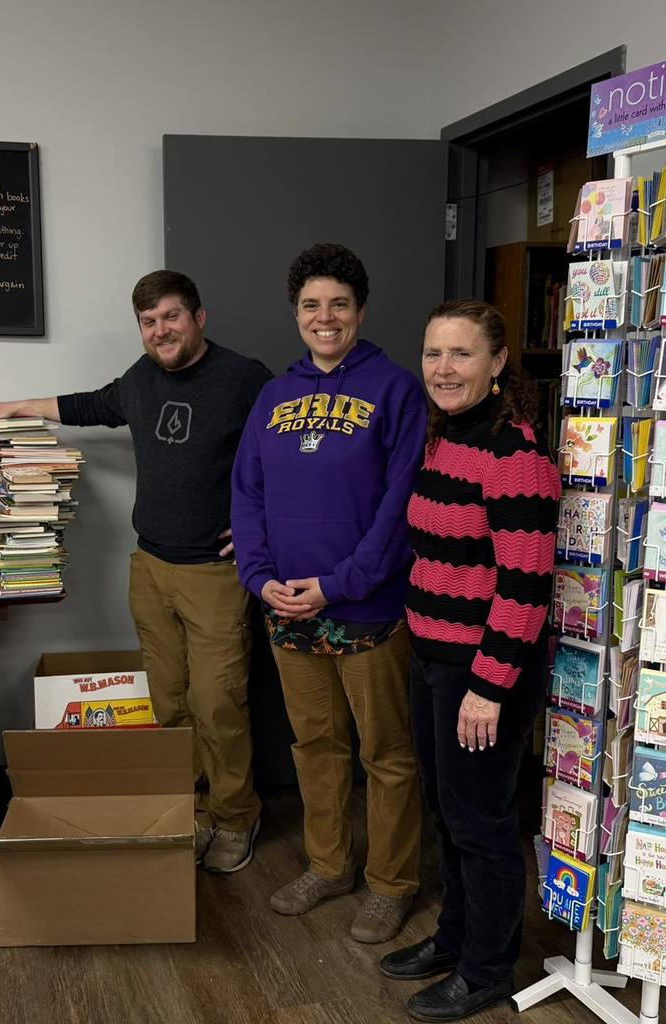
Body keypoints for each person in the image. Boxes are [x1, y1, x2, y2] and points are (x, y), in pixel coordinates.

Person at [0, 270, 272, 872]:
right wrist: (14, 408)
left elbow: (285, 458)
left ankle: (237, 816)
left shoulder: (246, 379)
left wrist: (263, 528)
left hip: (213, 575)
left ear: (199, 317)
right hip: (150, 566)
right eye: (148, 321)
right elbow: (87, 404)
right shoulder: (141, 379)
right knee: (169, 700)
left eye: (171, 316)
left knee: (218, 703)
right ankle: (193, 808)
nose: (161, 330)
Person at [231, 242, 426, 943]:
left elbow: (402, 507)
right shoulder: (274, 397)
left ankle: (392, 884)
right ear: (296, 314)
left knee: (386, 754)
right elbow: (247, 495)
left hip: (367, 608)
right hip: (287, 608)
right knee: (315, 745)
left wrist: (338, 585)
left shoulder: (397, 390)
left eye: (339, 303)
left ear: (360, 310)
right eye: (311, 305)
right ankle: (329, 865)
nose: (325, 316)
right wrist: (260, 579)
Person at [380, 299, 559, 1022]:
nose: (443, 368)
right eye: (433, 353)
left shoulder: (517, 458)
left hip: (483, 672)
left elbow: (525, 587)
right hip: (433, 657)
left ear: (497, 362)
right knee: (448, 812)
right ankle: (454, 938)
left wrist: (487, 687)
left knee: (481, 822)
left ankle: (485, 969)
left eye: (461, 353)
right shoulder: (445, 437)